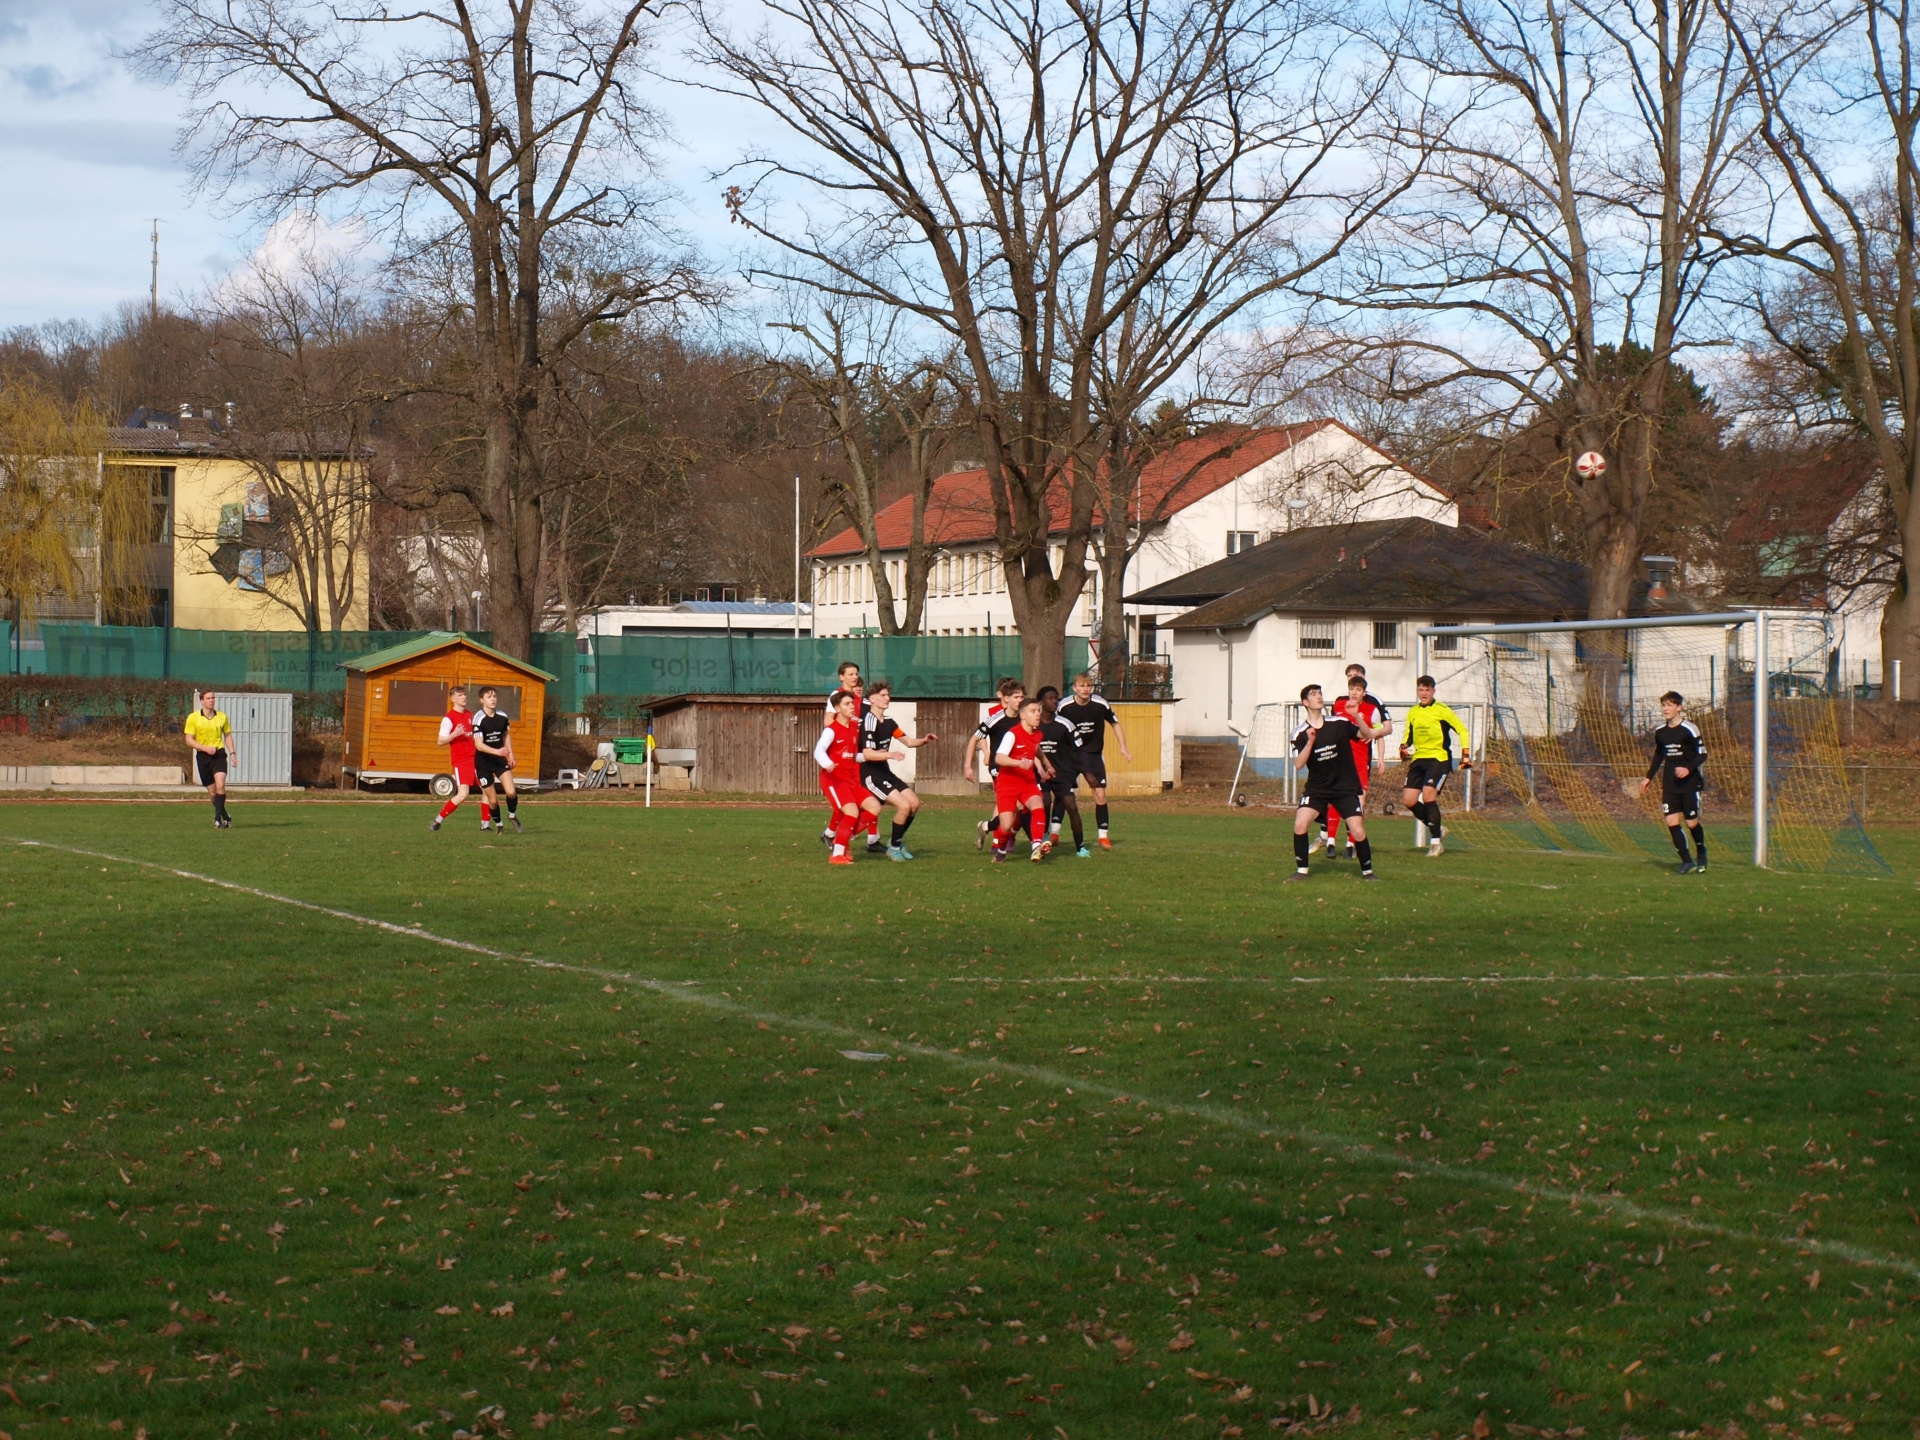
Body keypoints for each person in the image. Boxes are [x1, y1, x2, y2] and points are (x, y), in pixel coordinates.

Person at [1289, 684, 1391, 881]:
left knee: (1357, 830)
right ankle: (1302, 872)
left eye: (1320, 693)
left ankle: (1368, 872)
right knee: (1300, 824)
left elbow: (1367, 735)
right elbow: (1299, 764)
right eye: (1313, 694)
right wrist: (1310, 742)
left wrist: (1357, 716)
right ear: (1305, 702)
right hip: (1318, 788)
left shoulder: (1339, 722)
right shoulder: (1300, 733)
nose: (1319, 696)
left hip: (1345, 787)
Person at [859, 680, 938, 861]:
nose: (888, 698)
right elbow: (867, 753)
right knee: (904, 806)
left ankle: (896, 841)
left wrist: (924, 740)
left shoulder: (889, 722)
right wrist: (890, 755)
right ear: (872, 699)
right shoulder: (869, 722)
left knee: (914, 803)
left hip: (885, 772)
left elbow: (908, 742)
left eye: (888, 695)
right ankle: (894, 848)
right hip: (871, 774)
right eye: (883, 695)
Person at [1320, 664, 1391, 858]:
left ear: (1363, 690)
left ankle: (1351, 845)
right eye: (1351, 686)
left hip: (1361, 762)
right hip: (1339, 761)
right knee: (1335, 799)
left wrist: (1380, 756)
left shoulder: (1372, 707)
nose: (1354, 691)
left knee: (1359, 801)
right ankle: (1330, 842)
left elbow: (1382, 732)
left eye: (1358, 688)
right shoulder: (1339, 704)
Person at [1398, 675, 1473, 857]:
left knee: (1428, 796)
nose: (1424, 693)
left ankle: (1435, 843)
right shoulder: (1413, 712)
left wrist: (1465, 754)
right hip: (1419, 759)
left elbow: (1462, 730)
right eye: (1421, 690)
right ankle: (1437, 828)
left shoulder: (1442, 710)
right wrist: (1403, 747)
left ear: (1433, 691)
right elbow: (1408, 736)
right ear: (1417, 690)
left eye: (1427, 690)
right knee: (1408, 800)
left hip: (1439, 758)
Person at [1056, 673, 1131, 848]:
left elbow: (1115, 723)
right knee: (1063, 794)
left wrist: (1123, 746)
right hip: (1070, 755)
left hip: (1093, 755)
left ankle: (1103, 836)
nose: (1085, 689)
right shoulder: (1064, 706)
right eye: (1082, 686)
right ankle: (1054, 834)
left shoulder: (1100, 704)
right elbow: (1054, 725)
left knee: (1100, 794)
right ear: (1074, 688)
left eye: (1088, 686)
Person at [1639, 690, 1708, 873]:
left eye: (1669, 705)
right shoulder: (1660, 732)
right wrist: (1648, 777)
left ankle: (1701, 852)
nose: (1665, 709)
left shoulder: (1690, 729)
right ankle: (1686, 861)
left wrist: (1688, 769)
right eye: (1663, 705)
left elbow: (1702, 754)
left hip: (1690, 783)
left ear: (1679, 707)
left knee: (1691, 822)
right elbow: (1659, 755)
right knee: (1671, 821)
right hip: (1670, 783)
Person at [990, 697, 1051, 863]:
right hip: (1007, 783)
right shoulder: (1012, 734)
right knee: (1006, 825)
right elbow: (999, 758)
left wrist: (1046, 765)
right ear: (1023, 715)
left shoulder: (1037, 734)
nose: (1038, 714)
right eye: (1033, 711)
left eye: (1038, 710)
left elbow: (1036, 749)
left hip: (1027, 781)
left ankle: (1036, 845)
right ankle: (1001, 851)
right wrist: (1019, 763)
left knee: (1038, 804)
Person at [969, 677, 1025, 850]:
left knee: (1018, 804)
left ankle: (989, 827)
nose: (1019, 700)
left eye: (1021, 696)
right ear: (1003, 696)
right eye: (1016, 696)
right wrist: (986, 753)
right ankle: (997, 841)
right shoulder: (993, 714)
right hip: (999, 766)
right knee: (1007, 803)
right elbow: (978, 736)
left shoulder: (1022, 715)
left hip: (1016, 765)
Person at [1036, 685, 1089, 857]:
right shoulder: (1034, 725)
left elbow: (1079, 749)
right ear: (1041, 702)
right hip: (1040, 774)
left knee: (1071, 806)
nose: (1054, 701)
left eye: (1056, 698)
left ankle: (1080, 847)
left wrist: (1087, 772)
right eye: (1050, 698)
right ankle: (1044, 835)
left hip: (1062, 774)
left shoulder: (1065, 724)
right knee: (1044, 802)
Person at [813, 688, 865, 865]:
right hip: (834, 779)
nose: (852, 706)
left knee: (873, 808)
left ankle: (841, 840)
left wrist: (873, 756)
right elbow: (818, 750)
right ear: (837, 709)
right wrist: (827, 763)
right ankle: (837, 854)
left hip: (849, 779)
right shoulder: (831, 730)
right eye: (847, 704)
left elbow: (852, 756)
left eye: (852, 703)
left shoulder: (853, 729)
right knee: (851, 813)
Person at [821, 662, 868, 847]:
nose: (855, 677)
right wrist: (842, 735)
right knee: (848, 801)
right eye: (850, 674)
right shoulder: (837, 695)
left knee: (859, 800)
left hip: (854, 752)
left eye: (856, 673)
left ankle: (835, 834)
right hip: (842, 755)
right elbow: (828, 721)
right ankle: (838, 837)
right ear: (841, 677)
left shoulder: (857, 698)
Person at [183, 687, 236, 829]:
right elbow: (189, 740)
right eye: (208, 698)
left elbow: (228, 736)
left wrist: (232, 753)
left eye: (213, 698)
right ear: (202, 701)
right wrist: (205, 748)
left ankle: (217, 819)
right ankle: (225, 816)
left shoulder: (222, 717)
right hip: (203, 756)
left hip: (219, 755)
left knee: (220, 785)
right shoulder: (193, 718)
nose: (211, 700)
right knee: (213, 793)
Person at [473, 685, 521, 833]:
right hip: (483, 764)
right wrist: (497, 751)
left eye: (494, 696)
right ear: (482, 700)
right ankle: (499, 824)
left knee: (511, 792)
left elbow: (506, 735)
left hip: (499, 761)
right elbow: (479, 745)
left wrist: (510, 754)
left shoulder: (502, 716)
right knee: (493, 800)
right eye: (489, 697)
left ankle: (512, 815)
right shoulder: (478, 718)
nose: (493, 699)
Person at [431, 685, 478, 832]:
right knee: (463, 794)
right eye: (460, 695)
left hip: (475, 758)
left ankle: (486, 825)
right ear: (453, 699)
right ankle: (438, 820)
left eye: (464, 695)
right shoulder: (449, 718)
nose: (464, 697)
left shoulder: (469, 714)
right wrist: (454, 734)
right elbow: (440, 741)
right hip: (461, 760)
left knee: (488, 790)